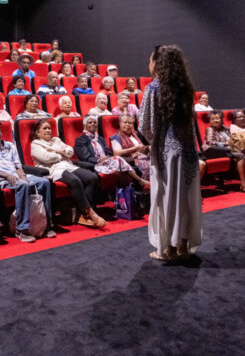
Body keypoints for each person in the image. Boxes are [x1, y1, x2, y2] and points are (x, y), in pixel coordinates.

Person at [138, 45, 202, 263]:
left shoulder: (153, 89)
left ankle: (167, 249)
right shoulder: (184, 89)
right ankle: (182, 245)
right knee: (184, 200)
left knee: (165, 199)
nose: (149, 65)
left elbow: (146, 126)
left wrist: (152, 142)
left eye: (150, 60)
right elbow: (191, 125)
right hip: (186, 151)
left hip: (166, 153)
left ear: (157, 63)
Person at [0, 120, 55, 242]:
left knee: (44, 182)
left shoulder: (10, 145)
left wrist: (23, 176)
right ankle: (22, 229)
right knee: (23, 185)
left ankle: (46, 224)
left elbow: (18, 166)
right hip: (2, 179)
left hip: (16, 176)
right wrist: (7, 175)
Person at [30, 119, 106, 228]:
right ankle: (90, 213)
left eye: (49, 128)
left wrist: (56, 151)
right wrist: (61, 153)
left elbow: (70, 151)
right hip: (53, 169)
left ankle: (82, 214)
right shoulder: (35, 144)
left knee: (92, 177)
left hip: (68, 165)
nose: (48, 130)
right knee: (75, 181)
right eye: (44, 128)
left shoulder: (56, 140)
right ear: (37, 132)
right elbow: (45, 158)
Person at [75, 115, 149, 187]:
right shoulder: (80, 140)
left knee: (119, 167)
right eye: (90, 122)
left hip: (108, 162)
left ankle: (126, 192)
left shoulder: (100, 139)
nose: (93, 124)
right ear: (84, 126)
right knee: (118, 160)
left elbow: (109, 153)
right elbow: (86, 158)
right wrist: (98, 160)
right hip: (95, 165)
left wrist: (107, 157)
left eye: (95, 122)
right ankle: (139, 181)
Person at [202, 110, 245, 194]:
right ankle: (244, 185)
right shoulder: (210, 129)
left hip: (230, 149)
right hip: (214, 151)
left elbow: (233, 139)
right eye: (213, 119)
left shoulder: (226, 129)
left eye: (217, 118)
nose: (215, 120)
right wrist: (226, 144)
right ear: (210, 121)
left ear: (222, 119)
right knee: (240, 155)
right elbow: (210, 143)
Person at [111, 113, 151, 180]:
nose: (127, 125)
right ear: (120, 123)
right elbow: (116, 153)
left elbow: (144, 145)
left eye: (130, 123)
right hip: (132, 160)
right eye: (125, 122)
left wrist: (147, 148)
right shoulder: (116, 137)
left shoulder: (136, 134)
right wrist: (136, 148)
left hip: (145, 155)